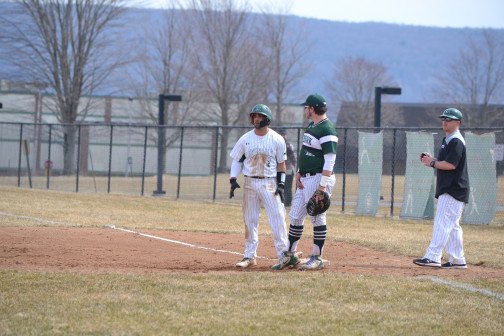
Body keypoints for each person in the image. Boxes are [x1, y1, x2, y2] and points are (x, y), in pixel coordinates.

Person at [229, 104, 297, 270]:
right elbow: (237, 160)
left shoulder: (277, 139)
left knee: (277, 218)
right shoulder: (245, 138)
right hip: (250, 183)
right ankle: (249, 256)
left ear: (267, 118)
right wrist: (232, 179)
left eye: (259, 116)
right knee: (250, 220)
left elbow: (282, 164)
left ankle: (283, 255)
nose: (256, 119)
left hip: (269, 183)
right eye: (254, 116)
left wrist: (281, 184)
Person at [279, 94, 338, 270]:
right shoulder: (313, 125)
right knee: (296, 215)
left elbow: (330, 160)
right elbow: (306, 151)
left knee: (317, 216)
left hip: (319, 178)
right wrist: (299, 172)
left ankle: (317, 257)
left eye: (306, 107)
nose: (305, 110)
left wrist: (322, 187)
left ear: (312, 109)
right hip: (305, 177)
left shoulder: (327, 129)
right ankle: (290, 255)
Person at [413, 107, 469, 269]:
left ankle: (433, 257)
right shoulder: (449, 140)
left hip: (453, 189)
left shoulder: (456, 141)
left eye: (449, 119)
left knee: (442, 223)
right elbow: (445, 163)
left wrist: (432, 162)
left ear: (458, 123)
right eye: (444, 119)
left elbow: (451, 165)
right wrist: (432, 160)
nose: (445, 122)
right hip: (452, 188)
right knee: (452, 226)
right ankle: (458, 260)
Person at [278, 129, 297, 207]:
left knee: (288, 186)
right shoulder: (277, 144)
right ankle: (281, 201)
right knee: (280, 185)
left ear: (286, 136)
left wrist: (294, 166)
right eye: (281, 134)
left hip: (288, 169)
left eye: (284, 134)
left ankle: (288, 202)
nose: (283, 136)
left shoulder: (289, 145)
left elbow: (293, 158)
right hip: (279, 169)